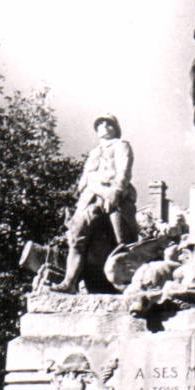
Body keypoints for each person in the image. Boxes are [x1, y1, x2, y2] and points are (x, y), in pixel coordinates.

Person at [55, 115, 138, 292]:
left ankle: (128, 284)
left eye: (109, 124)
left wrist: (116, 191)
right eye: (100, 124)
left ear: (115, 128)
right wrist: (79, 200)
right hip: (91, 197)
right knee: (76, 236)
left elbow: (124, 171)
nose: (104, 126)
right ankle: (69, 282)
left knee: (122, 239)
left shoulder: (121, 145)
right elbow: (85, 178)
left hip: (112, 194)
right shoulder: (94, 152)